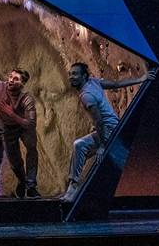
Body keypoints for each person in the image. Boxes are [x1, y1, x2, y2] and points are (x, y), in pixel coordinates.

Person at [62, 63, 154, 202]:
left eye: (75, 74)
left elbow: (99, 122)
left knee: (79, 145)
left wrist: (101, 146)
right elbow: (115, 84)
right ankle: (74, 186)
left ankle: (73, 186)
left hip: (109, 130)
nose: (71, 77)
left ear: (84, 76)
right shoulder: (93, 82)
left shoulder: (86, 95)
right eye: (70, 74)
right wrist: (140, 79)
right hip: (112, 126)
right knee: (80, 154)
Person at [0, 69, 39, 198]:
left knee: (32, 149)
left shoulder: (26, 98)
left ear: (22, 83)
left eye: (16, 79)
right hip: (7, 128)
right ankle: (22, 180)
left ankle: (31, 185)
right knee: (14, 163)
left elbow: (30, 124)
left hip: (24, 127)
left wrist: (12, 114)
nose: (11, 80)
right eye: (10, 77)